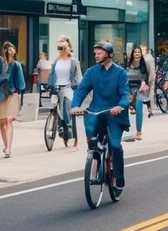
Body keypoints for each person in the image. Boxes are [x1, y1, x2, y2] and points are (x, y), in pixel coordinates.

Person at [70, 42, 130, 191]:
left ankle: (118, 177)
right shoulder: (91, 72)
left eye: (100, 52)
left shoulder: (120, 72)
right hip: (96, 110)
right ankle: (96, 161)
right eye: (95, 52)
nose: (96, 55)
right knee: (92, 140)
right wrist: (75, 106)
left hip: (115, 113)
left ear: (109, 55)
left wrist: (120, 106)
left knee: (115, 145)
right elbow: (82, 89)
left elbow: (125, 94)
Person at [47, 37, 83, 145]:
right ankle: (61, 130)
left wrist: (79, 88)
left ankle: (71, 132)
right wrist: (49, 85)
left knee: (67, 110)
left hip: (68, 88)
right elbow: (51, 74)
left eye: (64, 48)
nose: (62, 50)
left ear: (69, 48)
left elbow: (79, 76)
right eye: (60, 48)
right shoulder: (56, 60)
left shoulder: (74, 61)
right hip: (56, 88)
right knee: (56, 111)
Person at [0, 42, 26, 157]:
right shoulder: (0, 64)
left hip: (13, 94)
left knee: (9, 119)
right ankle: (6, 145)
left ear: (15, 51)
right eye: (7, 48)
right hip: (2, 95)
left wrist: (16, 90)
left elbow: (22, 85)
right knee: (2, 121)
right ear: (3, 51)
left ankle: (8, 148)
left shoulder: (16, 65)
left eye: (12, 48)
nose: (10, 50)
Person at [124, 45, 153, 141]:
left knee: (139, 108)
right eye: (135, 52)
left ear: (141, 54)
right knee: (123, 107)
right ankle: (125, 125)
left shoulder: (144, 65)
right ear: (133, 54)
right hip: (128, 88)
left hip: (139, 88)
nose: (137, 53)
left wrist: (147, 86)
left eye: (139, 52)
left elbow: (148, 78)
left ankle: (139, 131)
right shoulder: (128, 65)